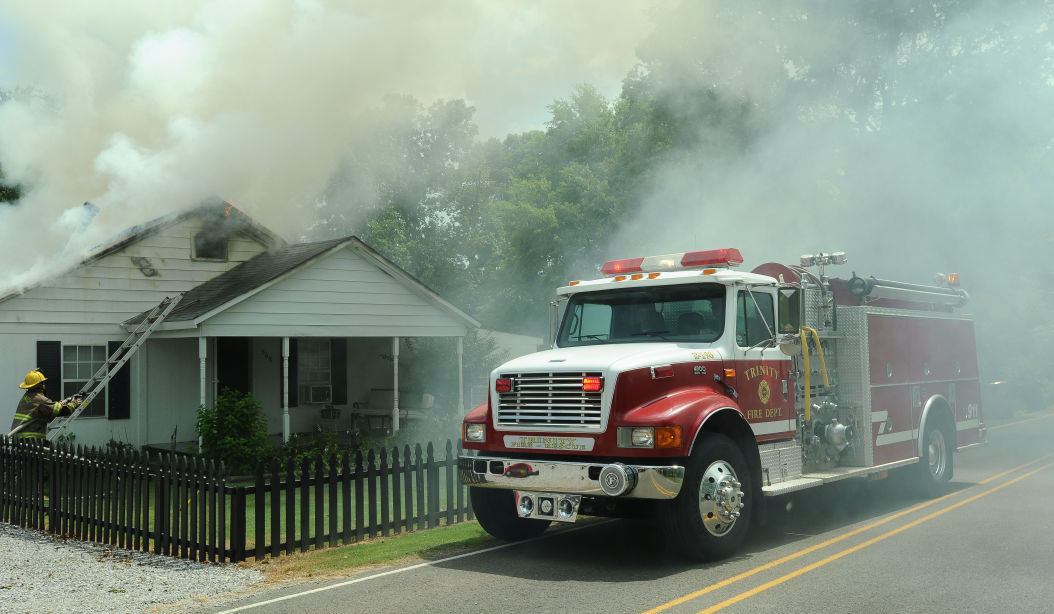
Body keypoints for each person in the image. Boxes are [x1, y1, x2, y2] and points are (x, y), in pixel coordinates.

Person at [9, 370, 81, 440]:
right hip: (30, 438)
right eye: (43, 382)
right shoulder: (39, 399)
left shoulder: (27, 396)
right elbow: (63, 411)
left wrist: (57, 405)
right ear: (40, 384)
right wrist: (74, 403)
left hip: (19, 437)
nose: (44, 384)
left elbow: (41, 409)